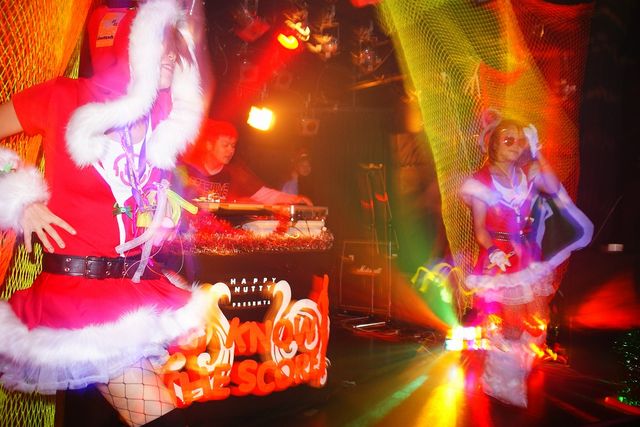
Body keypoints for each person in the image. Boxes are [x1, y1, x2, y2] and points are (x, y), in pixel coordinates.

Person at [0, 1, 211, 426]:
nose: (171, 57)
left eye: (174, 49)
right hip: (80, 302)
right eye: (161, 44)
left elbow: (198, 88)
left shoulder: (161, 118)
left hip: (132, 292)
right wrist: (20, 197)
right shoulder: (65, 97)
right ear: (129, 46)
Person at [459, 109, 593, 407]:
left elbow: (553, 187)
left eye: (521, 140)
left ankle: (515, 372)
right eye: (509, 140)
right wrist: (493, 251)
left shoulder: (526, 172)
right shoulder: (481, 182)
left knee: (538, 320)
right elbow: (480, 230)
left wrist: (538, 151)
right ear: (492, 144)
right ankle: (500, 384)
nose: (516, 145)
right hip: (501, 259)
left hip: (527, 255)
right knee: (512, 324)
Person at [176, 118, 313, 206]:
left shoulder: (235, 173)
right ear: (209, 145)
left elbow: (265, 195)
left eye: (233, 146)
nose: (230, 150)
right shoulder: (187, 167)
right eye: (225, 145)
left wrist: (294, 199)